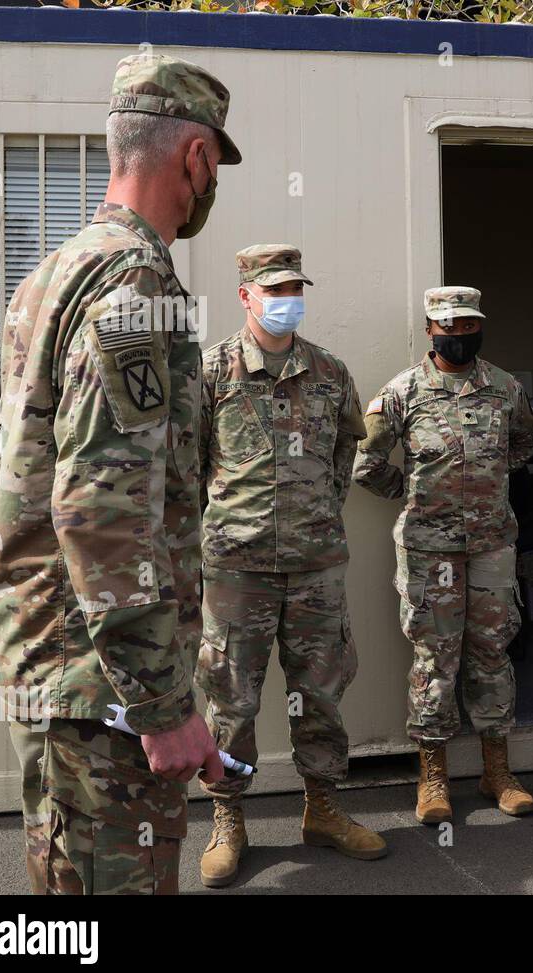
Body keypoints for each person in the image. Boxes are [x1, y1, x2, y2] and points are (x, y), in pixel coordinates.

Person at [0, 53, 240, 894]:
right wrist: (162, 707)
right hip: (97, 689)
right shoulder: (134, 280)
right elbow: (99, 510)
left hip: (72, 668)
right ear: (194, 158)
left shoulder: (50, 274)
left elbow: (14, 460)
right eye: (214, 168)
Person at [195, 245, 381, 888]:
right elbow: (186, 467)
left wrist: (318, 512)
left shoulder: (328, 371)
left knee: (322, 692)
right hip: (236, 569)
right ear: (245, 295)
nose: (286, 298)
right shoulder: (212, 371)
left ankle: (323, 809)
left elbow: (348, 448)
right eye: (273, 288)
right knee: (230, 700)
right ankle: (228, 819)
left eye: (295, 287)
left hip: (315, 565)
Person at [354, 287, 533, 823]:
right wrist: (412, 491)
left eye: (467, 327)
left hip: (491, 546)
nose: (459, 336)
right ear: (430, 329)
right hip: (428, 547)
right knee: (435, 658)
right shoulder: (403, 391)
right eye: (449, 328)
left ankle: (496, 770)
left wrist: (491, 484)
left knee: (492, 652)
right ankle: (432, 775)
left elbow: (524, 444)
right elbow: (364, 460)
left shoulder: (504, 388)